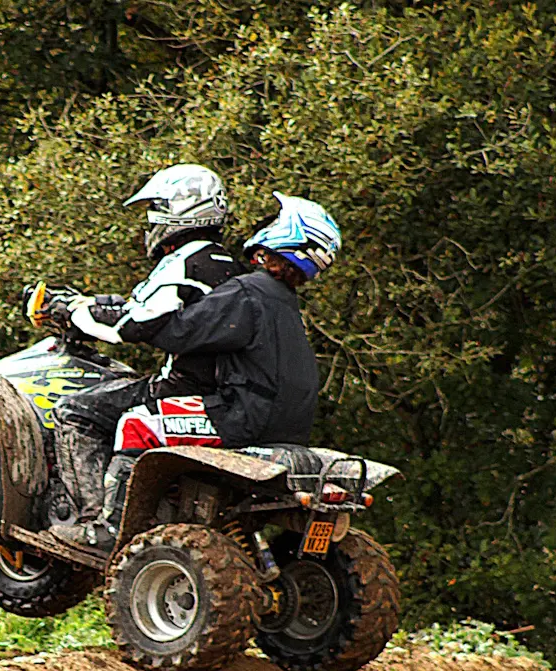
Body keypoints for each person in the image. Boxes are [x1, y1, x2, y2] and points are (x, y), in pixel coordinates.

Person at [46, 190, 342, 551]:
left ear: (284, 237)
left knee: (137, 423)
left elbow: (176, 331)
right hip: (285, 426)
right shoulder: (282, 300)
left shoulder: (249, 291)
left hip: (241, 417)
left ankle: (104, 531)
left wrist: (96, 312)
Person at [30, 164, 245, 551]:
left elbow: (132, 324)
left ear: (178, 211)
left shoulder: (184, 261)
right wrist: (90, 303)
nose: (149, 221)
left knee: (76, 411)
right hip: (225, 390)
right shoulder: (227, 265)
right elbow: (144, 307)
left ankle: (98, 525)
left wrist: (73, 312)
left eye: (156, 208)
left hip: (182, 387)